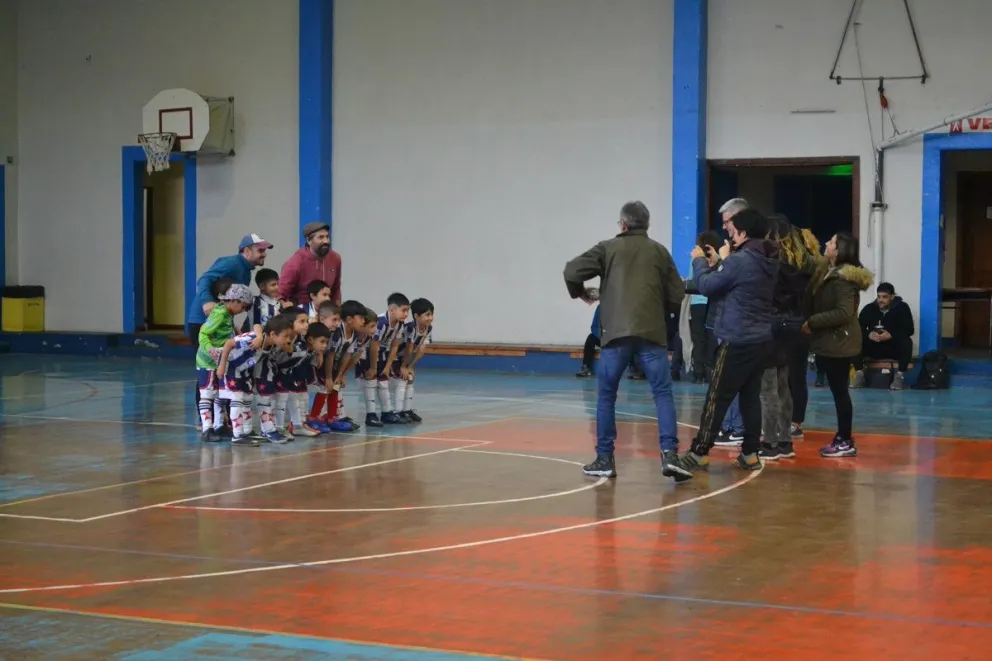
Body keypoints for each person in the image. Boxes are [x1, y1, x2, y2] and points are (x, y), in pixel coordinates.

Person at [563, 201, 685, 479]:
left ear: (623, 225)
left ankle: (605, 459)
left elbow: (571, 271)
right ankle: (669, 455)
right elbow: (677, 294)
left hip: (615, 336)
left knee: (607, 396)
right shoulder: (659, 251)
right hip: (652, 335)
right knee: (662, 394)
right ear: (647, 225)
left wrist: (581, 293)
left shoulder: (607, 248)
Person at [664, 208, 779, 482]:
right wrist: (720, 263)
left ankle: (699, 452)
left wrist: (700, 262)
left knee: (717, 396)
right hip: (760, 339)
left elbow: (706, 286)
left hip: (737, 338)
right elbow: (733, 284)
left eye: (732, 229)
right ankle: (751, 453)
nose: (728, 232)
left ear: (743, 232)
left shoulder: (740, 261)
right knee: (750, 398)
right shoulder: (767, 258)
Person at [802, 232, 872, 458]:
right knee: (838, 391)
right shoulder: (829, 272)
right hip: (833, 341)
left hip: (840, 343)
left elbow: (844, 312)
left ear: (839, 250)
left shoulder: (842, 279)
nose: (826, 243)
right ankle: (843, 437)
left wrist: (812, 322)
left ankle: (845, 439)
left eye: (831, 242)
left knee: (840, 393)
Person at [759, 214, 819, 461]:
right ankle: (785, 441)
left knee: (769, 387)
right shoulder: (806, 266)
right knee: (788, 386)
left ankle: (770, 442)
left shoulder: (771, 264)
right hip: (799, 327)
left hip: (774, 325)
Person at [187, 233, 272, 407]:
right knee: (208, 368)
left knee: (224, 367)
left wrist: (234, 327)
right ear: (246, 250)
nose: (264, 254)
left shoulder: (246, 273)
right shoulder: (231, 263)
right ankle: (206, 418)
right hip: (204, 322)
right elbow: (204, 279)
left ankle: (222, 416)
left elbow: (231, 305)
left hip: (223, 324)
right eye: (260, 250)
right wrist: (206, 301)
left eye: (265, 250)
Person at [215, 314, 296, 446]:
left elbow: (259, 326)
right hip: (231, 366)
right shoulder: (254, 339)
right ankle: (237, 435)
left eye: (290, 338)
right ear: (273, 334)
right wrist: (222, 365)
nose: (288, 340)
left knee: (247, 398)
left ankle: (247, 431)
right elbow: (229, 343)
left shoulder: (271, 344)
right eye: (285, 337)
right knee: (237, 398)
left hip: (244, 370)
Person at [195, 284, 256, 442]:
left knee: (220, 394)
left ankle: (219, 425)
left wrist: (238, 334)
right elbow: (203, 333)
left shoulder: (228, 314)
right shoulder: (220, 313)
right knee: (207, 394)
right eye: (243, 306)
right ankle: (207, 428)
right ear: (235, 301)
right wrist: (210, 349)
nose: (243, 310)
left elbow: (229, 331)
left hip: (220, 359)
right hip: (208, 361)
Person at [361, 293, 411, 427]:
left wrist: (388, 366)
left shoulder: (400, 324)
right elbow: (374, 345)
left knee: (383, 383)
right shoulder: (381, 322)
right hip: (368, 353)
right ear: (392, 310)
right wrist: (373, 367)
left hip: (383, 354)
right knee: (371, 383)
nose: (406, 314)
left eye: (407, 311)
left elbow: (395, 344)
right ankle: (370, 415)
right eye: (404, 310)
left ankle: (386, 413)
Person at [853, 282, 915, 390]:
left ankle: (899, 376)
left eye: (885, 297)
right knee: (854, 339)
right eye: (879, 297)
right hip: (875, 346)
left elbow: (909, 330)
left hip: (892, 347)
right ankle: (859, 375)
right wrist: (869, 334)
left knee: (907, 342)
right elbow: (858, 328)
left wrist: (891, 335)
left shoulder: (902, 308)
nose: (881, 300)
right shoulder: (870, 308)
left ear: (892, 297)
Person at [272, 307, 317, 440]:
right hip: (271, 373)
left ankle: (297, 425)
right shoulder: (278, 339)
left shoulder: (300, 340)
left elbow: (296, 354)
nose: (306, 325)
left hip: (286, 372)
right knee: (275, 401)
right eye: (302, 321)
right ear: (290, 324)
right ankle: (276, 427)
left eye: (307, 321)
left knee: (293, 397)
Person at [279, 222, 342, 307]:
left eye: (327, 237)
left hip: (326, 312)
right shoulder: (295, 263)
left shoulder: (335, 258)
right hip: (301, 314)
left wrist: (338, 312)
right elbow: (280, 294)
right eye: (321, 237)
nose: (326, 241)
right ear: (309, 240)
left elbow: (336, 290)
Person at [396, 297, 435, 423]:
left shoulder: (428, 329)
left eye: (432, 314)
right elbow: (408, 348)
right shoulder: (410, 328)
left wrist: (411, 366)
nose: (430, 317)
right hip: (395, 356)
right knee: (403, 379)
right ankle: (398, 411)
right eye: (427, 314)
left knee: (410, 378)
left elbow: (421, 349)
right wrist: (404, 366)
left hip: (405, 358)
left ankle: (407, 410)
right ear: (416, 316)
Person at [576, 305, 601, 378]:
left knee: (631, 340)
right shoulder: (600, 307)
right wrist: (601, 335)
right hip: (603, 337)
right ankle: (586, 368)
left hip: (615, 338)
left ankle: (636, 369)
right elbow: (594, 326)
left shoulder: (618, 308)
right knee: (591, 338)